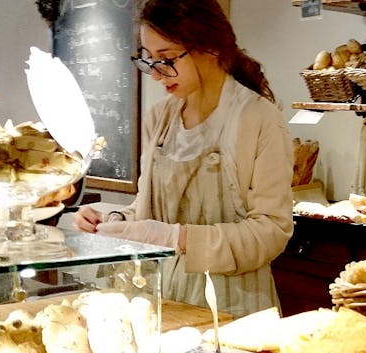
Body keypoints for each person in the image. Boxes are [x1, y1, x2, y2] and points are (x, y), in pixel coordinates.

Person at [73, 0, 294, 317]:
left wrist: (178, 237)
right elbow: (149, 205)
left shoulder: (258, 119)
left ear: (210, 47)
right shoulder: (159, 119)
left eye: (166, 59)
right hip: (160, 296)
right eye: (149, 60)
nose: (156, 74)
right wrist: (113, 221)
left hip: (231, 305)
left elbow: (270, 232)